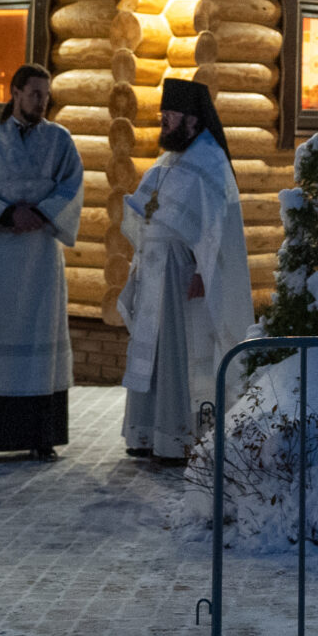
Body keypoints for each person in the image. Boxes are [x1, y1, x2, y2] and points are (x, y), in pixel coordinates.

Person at [117, 78, 254, 464]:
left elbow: (219, 229)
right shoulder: (168, 160)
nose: (164, 123)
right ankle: (147, 433)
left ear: (193, 121)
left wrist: (201, 271)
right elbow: (148, 206)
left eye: (171, 116)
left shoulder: (210, 161)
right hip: (156, 272)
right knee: (154, 355)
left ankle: (178, 438)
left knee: (180, 356)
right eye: (163, 116)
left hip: (183, 276)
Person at [0, 62, 82, 463]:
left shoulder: (60, 140)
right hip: (1, 254)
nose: (42, 102)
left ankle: (41, 437)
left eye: (46, 95)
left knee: (41, 332)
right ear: (14, 93)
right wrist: (9, 215)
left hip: (42, 252)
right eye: (34, 94)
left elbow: (72, 185)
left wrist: (42, 213)